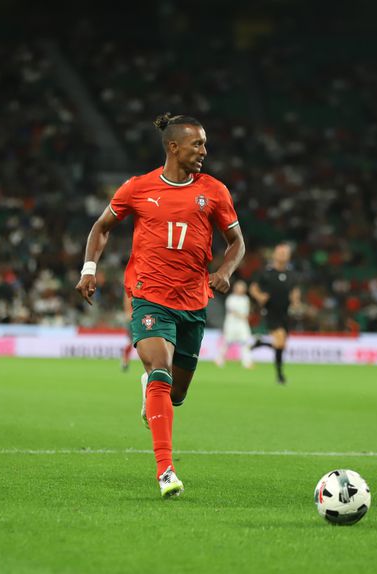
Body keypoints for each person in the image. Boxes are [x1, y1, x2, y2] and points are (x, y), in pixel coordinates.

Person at [76, 113, 245, 498]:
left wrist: (226, 270)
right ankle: (166, 469)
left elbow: (237, 242)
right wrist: (89, 269)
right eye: (197, 144)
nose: (204, 151)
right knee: (160, 369)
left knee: (177, 394)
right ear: (173, 147)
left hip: (193, 301)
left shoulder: (215, 191)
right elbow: (101, 227)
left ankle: (153, 390)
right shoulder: (138, 188)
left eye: (204, 144)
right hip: (149, 295)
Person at [250, 243, 301, 384]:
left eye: (285, 253)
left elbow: (295, 291)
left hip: (285, 313)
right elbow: (253, 288)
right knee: (279, 339)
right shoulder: (266, 272)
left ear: (289, 256)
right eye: (280, 252)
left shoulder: (292, 275)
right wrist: (260, 297)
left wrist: (296, 302)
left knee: (281, 344)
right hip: (270, 311)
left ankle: (261, 343)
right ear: (274, 254)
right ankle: (280, 376)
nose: (282, 255)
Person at [215, 280, 253, 369]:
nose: (241, 290)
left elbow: (247, 312)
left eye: (242, 288)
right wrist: (242, 315)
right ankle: (219, 360)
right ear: (235, 289)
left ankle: (247, 362)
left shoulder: (246, 299)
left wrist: (245, 316)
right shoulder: (231, 298)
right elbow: (232, 311)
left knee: (246, 342)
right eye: (239, 288)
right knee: (227, 343)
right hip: (231, 324)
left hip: (242, 325)